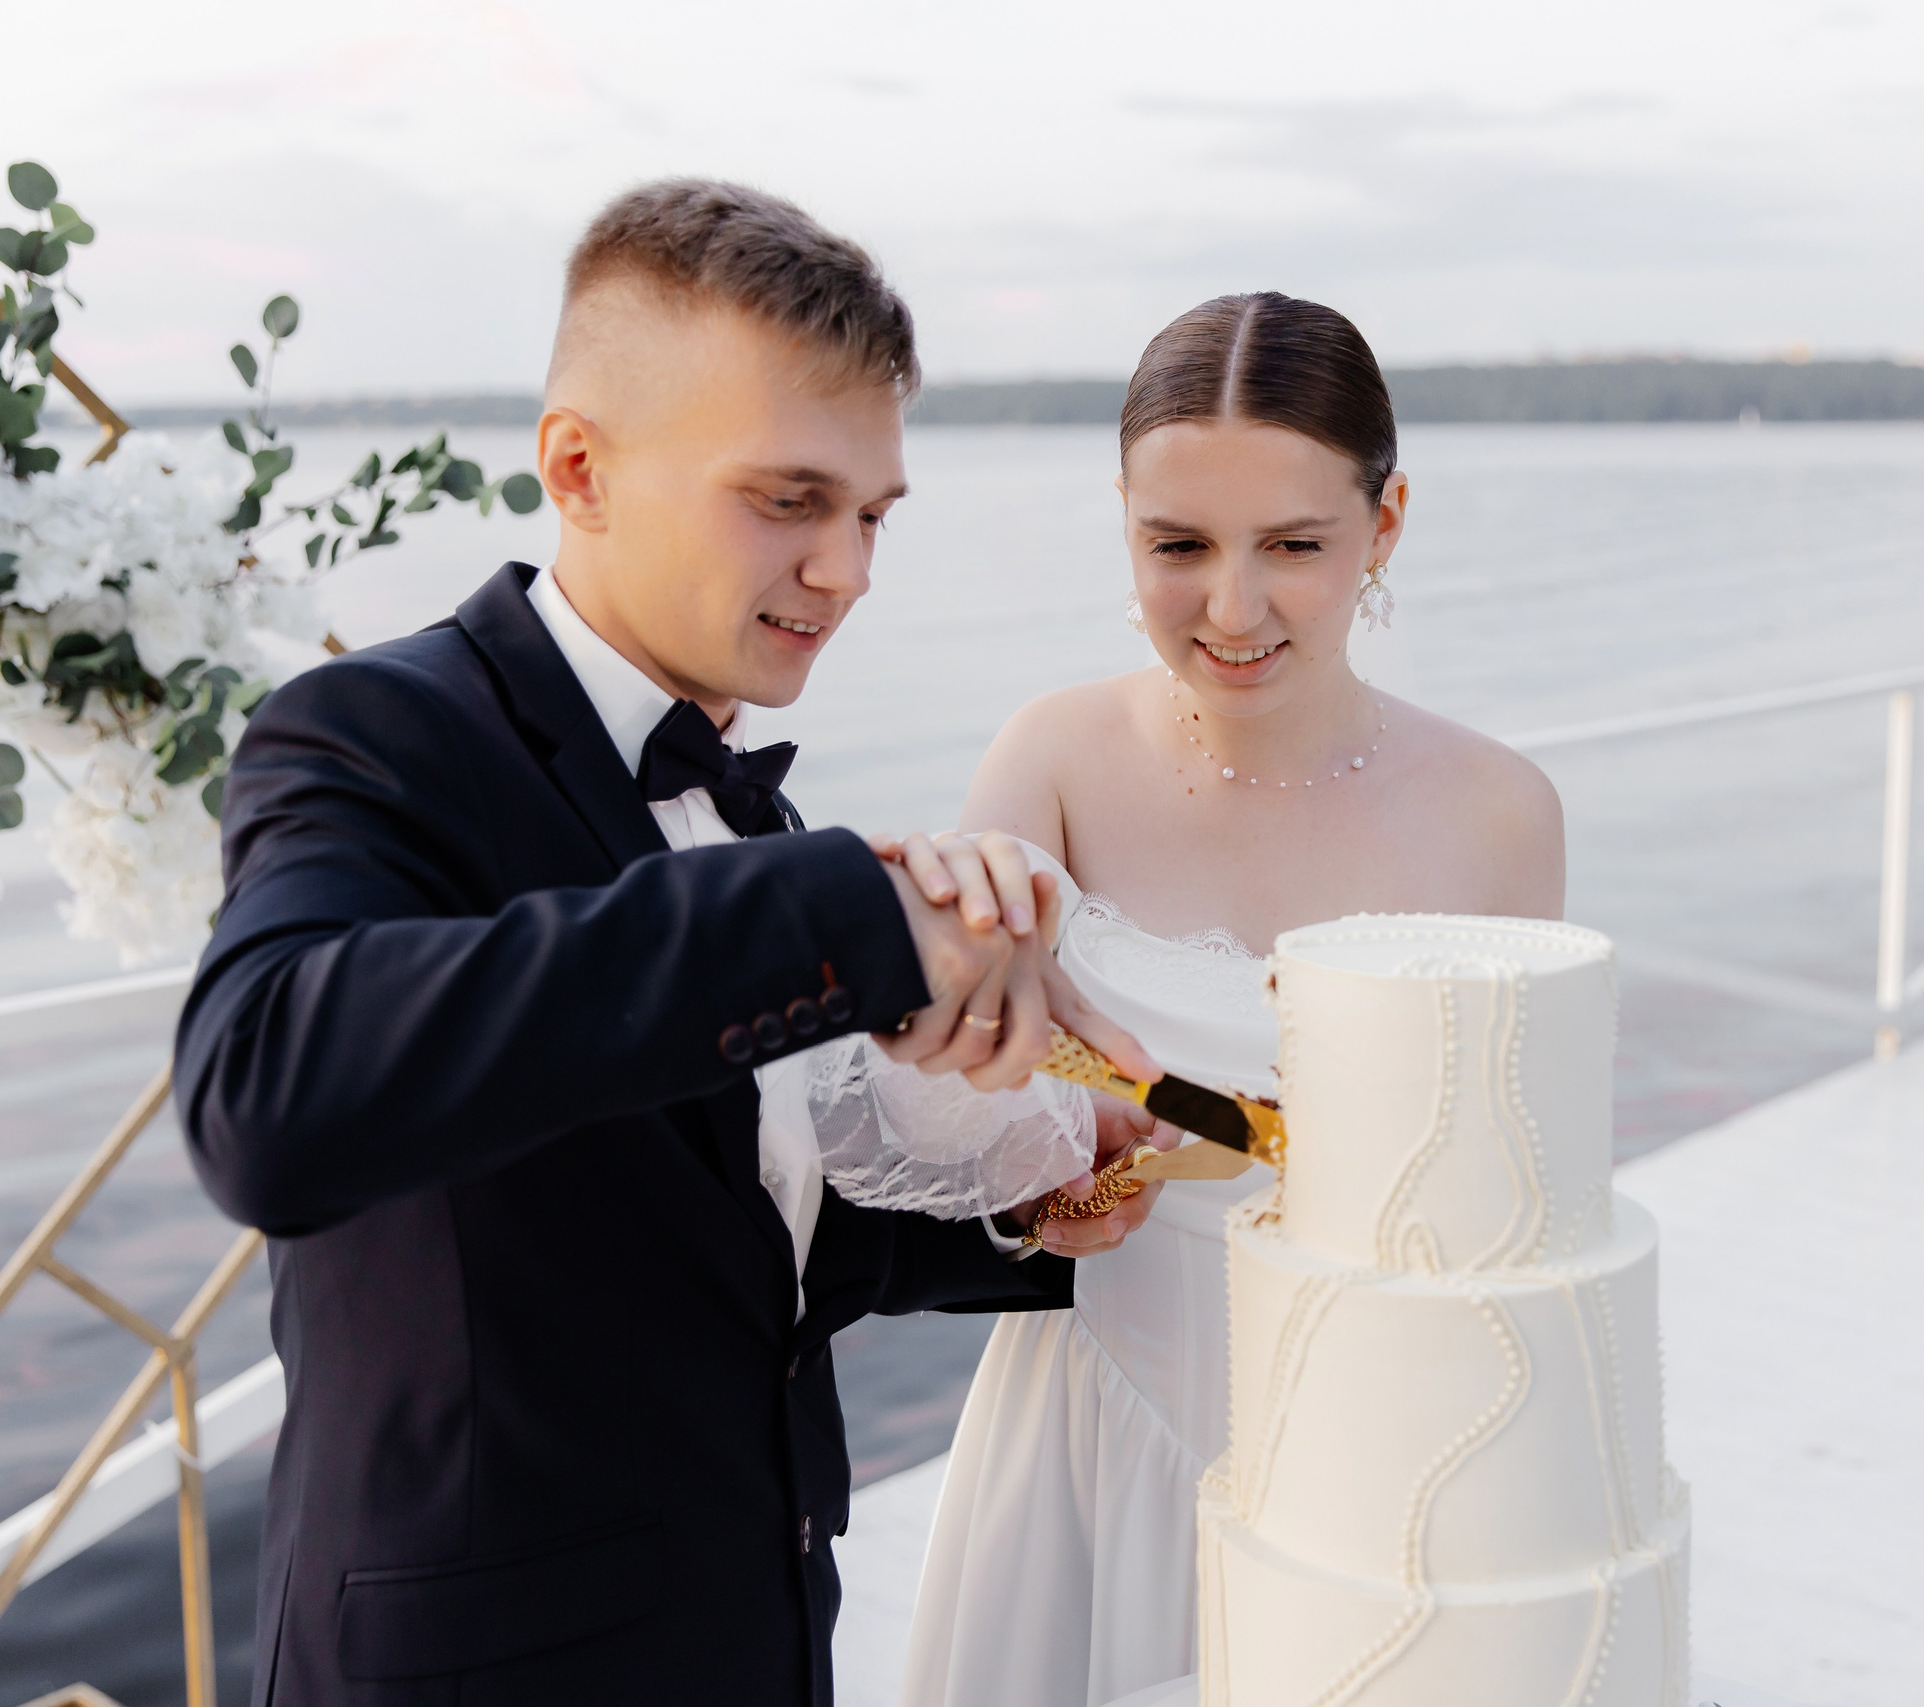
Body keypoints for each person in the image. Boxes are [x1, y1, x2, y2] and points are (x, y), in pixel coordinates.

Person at [171, 180, 1162, 1707]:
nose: (850, 571)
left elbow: (732, 1240)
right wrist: (847, 911)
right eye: (790, 501)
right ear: (580, 468)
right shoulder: (371, 733)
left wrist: (1025, 1209)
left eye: (872, 516)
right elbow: (268, 1102)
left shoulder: (744, 818)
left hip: (752, 1642)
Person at [888, 292, 1568, 1707]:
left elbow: (1522, 1206)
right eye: (1178, 546)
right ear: (1124, 527)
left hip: (1383, 1447)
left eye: (1295, 548)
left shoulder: (1503, 813)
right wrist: (1032, 1199)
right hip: (1090, 1425)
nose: (1231, 609)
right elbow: (957, 1118)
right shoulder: (1054, 756)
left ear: (1384, 527)